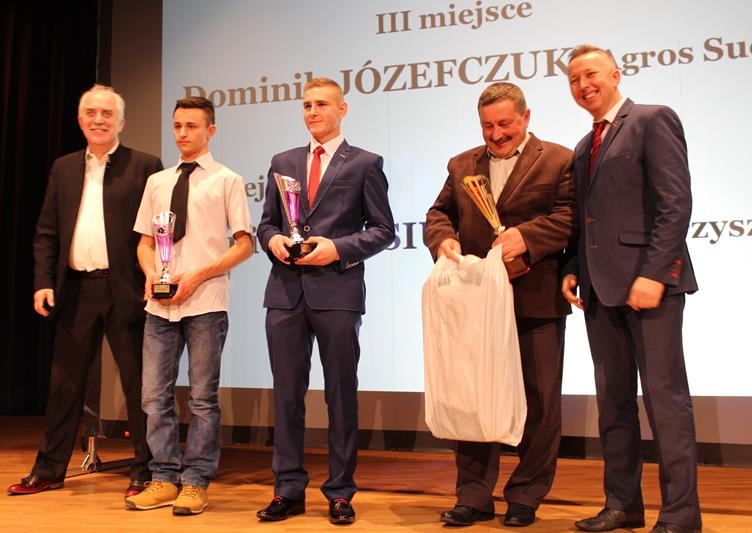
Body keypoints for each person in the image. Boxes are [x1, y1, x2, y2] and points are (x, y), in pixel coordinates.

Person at [424, 82, 576, 528]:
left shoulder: (560, 160)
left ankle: (526, 496)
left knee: (540, 402)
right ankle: (473, 496)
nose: (496, 134)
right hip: (476, 303)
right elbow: (439, 213)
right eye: (487, 126)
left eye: (505, 123)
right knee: (472, 398)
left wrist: (526, 236)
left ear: (526, 118)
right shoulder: (461, 164)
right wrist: (443, 239)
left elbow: (570, 217)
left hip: (536, 299)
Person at [562, 45, 701, 533]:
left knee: (666, 401)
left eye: (591, 74)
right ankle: (623, 505)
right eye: (574, 79)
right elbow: (586, 220)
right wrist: (573, 268)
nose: (584, 85)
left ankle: (680, 515)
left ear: (616, 75)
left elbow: (675, 204)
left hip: (651, 288)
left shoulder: (652, 119)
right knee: (613, 403)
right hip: (599, 292)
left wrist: (655, 274)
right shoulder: (585, 145)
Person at [8, 85, 162, 498]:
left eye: (107, 114)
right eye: (91, 113)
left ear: (121, 122)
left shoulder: (145, 166)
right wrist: (43, 282)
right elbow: (46, 232)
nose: (99, 119)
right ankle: (48, 470)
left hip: (127, 290)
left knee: (139, 385)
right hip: (75, 290)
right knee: (64, 385)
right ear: (80, 120)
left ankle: (147, 470)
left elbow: (159, 230)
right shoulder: (63, 168)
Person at [255, 77, 395, 525]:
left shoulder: (366, 163)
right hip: (285, 293)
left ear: (342, 109)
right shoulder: (283, 162)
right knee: (286, 396)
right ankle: (287, 489)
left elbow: (383, 230)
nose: (313, 112)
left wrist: (337, 248)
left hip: (338, 290)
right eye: (307, 105)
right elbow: (266, 223)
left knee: (340, 395)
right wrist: (273, 240)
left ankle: (340, 492)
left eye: (321, 104)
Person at [124, 96, 253, 515]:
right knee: (153, 397)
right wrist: (150, 273)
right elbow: (145, 242)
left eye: (191, 126)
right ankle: (163, 477)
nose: (182, 133)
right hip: (159, 307)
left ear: (210, 130)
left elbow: (245, 245)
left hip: (205, 303)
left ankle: (196, 481)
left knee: (202, 399)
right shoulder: (157, 182)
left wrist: (198, 275)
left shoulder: (227, 180)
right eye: (177, 125)